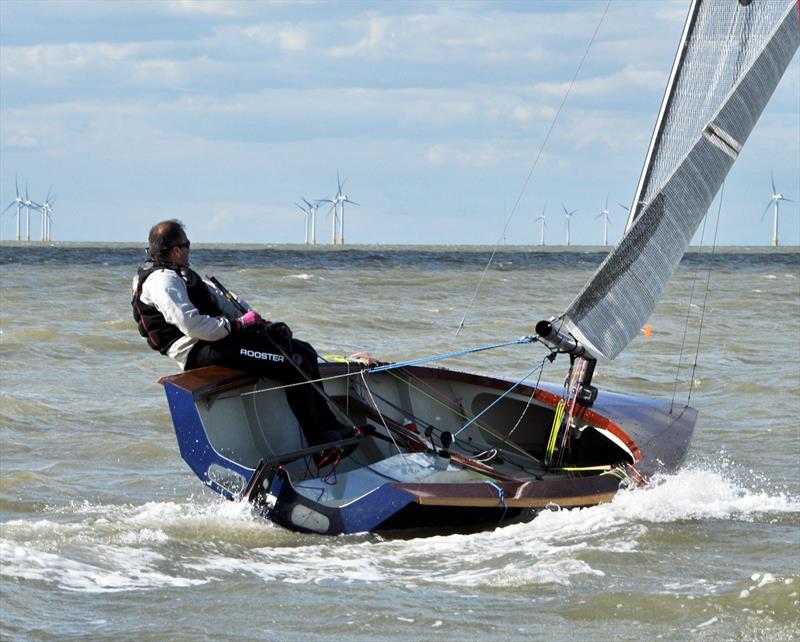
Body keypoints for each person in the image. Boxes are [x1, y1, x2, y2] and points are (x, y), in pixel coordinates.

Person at [131, 219, 353, 458]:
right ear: (176, 250)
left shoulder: (179, 274)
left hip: (220, 340)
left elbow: (222, 302)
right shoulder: (162, 281)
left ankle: (331, 426)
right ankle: (318, 442)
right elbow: (192, 325)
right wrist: (236, 326)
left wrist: (262, 325)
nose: (188, 249)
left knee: (303, 351)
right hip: (198, 351)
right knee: (290, 364)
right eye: (187, 244)